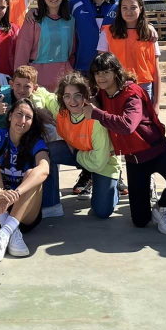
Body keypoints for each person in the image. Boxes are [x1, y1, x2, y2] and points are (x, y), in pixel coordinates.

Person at [84, 52, 166, 235]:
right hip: (134, 159)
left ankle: (162, 207)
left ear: (116, 72)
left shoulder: (131, 92)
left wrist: (96, 113)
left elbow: (128, 125)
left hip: (156, 148)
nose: (100, 77)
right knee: (140, 221)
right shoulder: (100, 93)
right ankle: (147, 190)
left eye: (105, 72)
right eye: (96, 73)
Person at [68, 0, 120, 197]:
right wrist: (34, 13)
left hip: (112, 75)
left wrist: (149, 28)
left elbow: (137, 21)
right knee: (86, 124)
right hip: (83, 72)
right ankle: (87, 172)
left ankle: (117, 175)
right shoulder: (76, 2)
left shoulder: (121, 2)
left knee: (113, 123)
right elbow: (53, 12)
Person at [0, 98, 51, 262]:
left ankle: (5, 232)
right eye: (19, 114)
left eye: (28, 117)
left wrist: (17, 193)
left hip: (24, 215)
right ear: (9, 116)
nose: (22, 121)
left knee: (34, 173)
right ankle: (9, 230)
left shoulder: (35, 141)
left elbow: (45, 169)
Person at [41, 73, 121, 220]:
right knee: (45, 153)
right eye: (67, 96)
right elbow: (40, 93)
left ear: (85, 95)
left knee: (102, 212)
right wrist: (39, 109)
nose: (72, 101)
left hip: (102, 161)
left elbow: (98, 162)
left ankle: (112, 185)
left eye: (77, 95)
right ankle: (51, 205)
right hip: (78, 152)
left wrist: (77, 152)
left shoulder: (95, 120)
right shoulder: (60, 109)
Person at [97, 0, 161, 106]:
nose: (128, 11)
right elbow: (101, 68)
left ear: (140, 9)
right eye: (124, 8)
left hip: (144, 87)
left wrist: (156, 104)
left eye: (133, 7)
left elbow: (156, 71)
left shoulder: (149, 34)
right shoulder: (107, 33)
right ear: (119, 10)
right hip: (116, 86)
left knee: (143, 123)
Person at [14, 0, 76, 94]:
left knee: (62, 112)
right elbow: (22, 51)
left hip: (63, 80)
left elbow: (72, 52)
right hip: (38, 79)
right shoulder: (33, 19)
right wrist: (19, 80)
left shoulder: (70, 20)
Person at [0, 64, 58, 135]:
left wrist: (38, 112)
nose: (21, 90)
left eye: (27, 86)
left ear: (34, 88)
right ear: (11, 84)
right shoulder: (2, 95)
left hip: (18, 132)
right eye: (18, 85)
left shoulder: (36, 97)